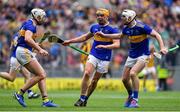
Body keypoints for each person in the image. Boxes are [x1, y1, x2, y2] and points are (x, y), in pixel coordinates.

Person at [95, 9, 167, 108]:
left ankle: (135, 101)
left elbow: (157, 35)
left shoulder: (142, 27)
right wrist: (104, 35)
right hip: (132, 55)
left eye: (124, 17)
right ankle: (130, 95)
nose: (122, 19)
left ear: (130, 18)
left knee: (133, 73)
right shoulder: (126, 28)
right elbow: (119, 36)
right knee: (124, 79)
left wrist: (162, 47)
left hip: (143, 55)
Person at [63, 8, 120, 107]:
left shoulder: (113, 30)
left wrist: (104, 46)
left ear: (107, 16)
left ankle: (85, 99)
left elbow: (116, 44)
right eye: (98, 15)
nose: (99, 17)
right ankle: (81, 98)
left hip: (105, 58)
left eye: (102, 15)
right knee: (87, 73)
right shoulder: (94, 27)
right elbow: (84, 37)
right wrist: (70, 41)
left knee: (94, 81)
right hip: (93, 54)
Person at [13, 8, 57, 107]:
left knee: (40, 74)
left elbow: (27, 41)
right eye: (43, 17)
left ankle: (45, 100)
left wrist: (36, 46)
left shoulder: (29, 24)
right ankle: (20, 93)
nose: (44, 19)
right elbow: (27, 39)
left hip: (24, 51)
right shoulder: (31, 25)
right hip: (23, 52)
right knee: (41, 74)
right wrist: (40, 49)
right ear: (38, 16)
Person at [0, 33, 40, 99]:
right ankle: (29, 92)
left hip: (16, 57)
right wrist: (36, 46)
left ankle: (29, 92)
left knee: (27, 75)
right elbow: (28, 50)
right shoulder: (26, 35)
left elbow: (11, 47)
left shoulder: (16, 35)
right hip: (17, 58)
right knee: (11, 78)